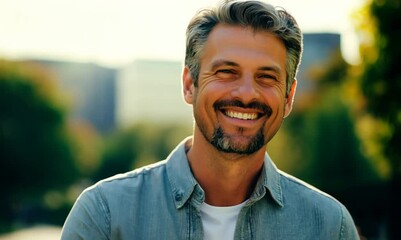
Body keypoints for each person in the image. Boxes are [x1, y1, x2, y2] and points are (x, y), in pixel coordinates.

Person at [61, 0, 359, 239]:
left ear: (288, 97)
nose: (246, 93)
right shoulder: (105, 215)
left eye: (266, 77)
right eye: (226, 71)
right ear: (189, 84)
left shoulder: (329, 226)